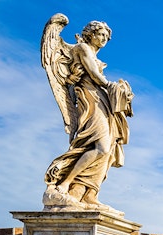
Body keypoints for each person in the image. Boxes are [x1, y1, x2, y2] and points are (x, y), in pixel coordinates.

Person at [41, 14, 134, 212]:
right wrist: (114, 87)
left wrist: (123, 95)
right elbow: (94, 75)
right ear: (90, 34)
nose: (103, 39)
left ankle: (89, 193)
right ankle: (65, 184)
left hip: (103, 101)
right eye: (100, 34)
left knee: (108, 150)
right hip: (90, 100)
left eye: (106, 37)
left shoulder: (94, 54)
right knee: (100, 146)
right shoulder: (82, 48)